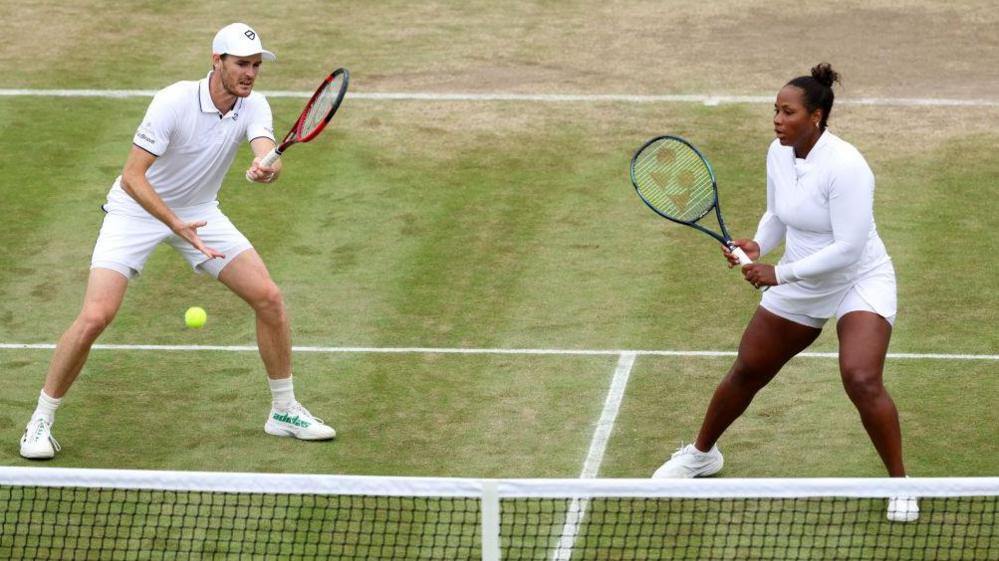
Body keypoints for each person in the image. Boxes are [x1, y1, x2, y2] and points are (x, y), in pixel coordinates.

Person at [19, 23, 335, 460]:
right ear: (216, 61)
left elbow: (265, 151)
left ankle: (283, 410)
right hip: (135, 211)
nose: (250, 74)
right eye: (242, 64)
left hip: (200, 213)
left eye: (256, 65)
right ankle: (41, 419)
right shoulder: (173, 101)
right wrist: (174, 223)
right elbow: (132, 177)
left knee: (269, 298)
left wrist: (267, 168)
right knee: (95, 316)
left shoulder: (254, 105)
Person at [652, 63, 918, 522]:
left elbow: (848, 247)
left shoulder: (848, 166)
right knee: (749, 368)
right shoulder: (778, 153)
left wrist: (780, 273)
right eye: (774, 110)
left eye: (787, 111)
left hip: (858, 278)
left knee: (861, 377)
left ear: (816, 116)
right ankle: (701, 455)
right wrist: (759, 242)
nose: (777, 119)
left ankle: (901, 485)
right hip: (801, 278)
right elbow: (779, 213)